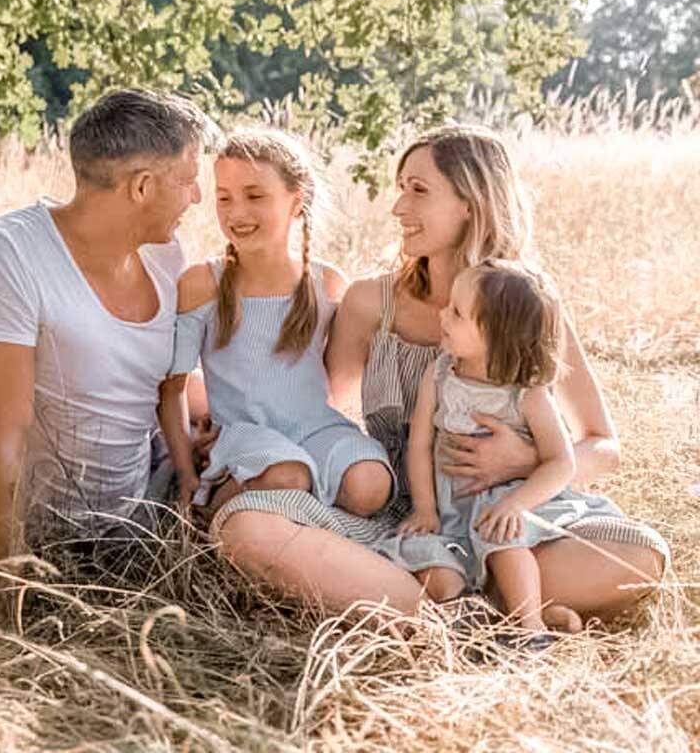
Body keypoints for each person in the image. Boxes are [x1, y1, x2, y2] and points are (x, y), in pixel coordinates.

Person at [209, 125, 670, 619]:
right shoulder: (370, 303)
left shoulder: (529, 305)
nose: (398, 208)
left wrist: (524, 464)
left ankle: (444, 602)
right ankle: (464, 611)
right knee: (245, 530)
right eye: (400, 188)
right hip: (400, 515)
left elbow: (603, 442)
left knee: (640, 558)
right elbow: (318, 406)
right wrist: (216, 417)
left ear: (470, 202)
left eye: (418, 190)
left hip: (506, 518)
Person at [0, 88, 216, 569]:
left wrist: (195, 444)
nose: (198, 198)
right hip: (59, 540)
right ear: (142, 187)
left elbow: (157, 384)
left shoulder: (166, 253)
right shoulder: (6, 254)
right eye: (188, 180)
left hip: (150, 498)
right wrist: (4, 593)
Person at [160, 130, 393, 517]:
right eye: (224, 198)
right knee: (289, 477)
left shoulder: (328, 283)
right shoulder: (203, 284)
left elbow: (340, 384)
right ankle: (212, 520)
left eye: (255, 196)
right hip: (243, 434)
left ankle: (311, 534)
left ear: (296, 201)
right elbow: (172, 390)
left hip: (316, 426)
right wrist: (186, 470)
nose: (236, 213)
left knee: (371, 485)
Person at [400, 259, 602, 643]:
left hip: (506, 503)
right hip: (452, 512)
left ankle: (531, 630)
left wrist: (517, 505)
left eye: (457, 312)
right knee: (432, 564)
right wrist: (424, 507)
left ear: (495, 334)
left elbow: (562, 462)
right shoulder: (441, 373)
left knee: (503, 542)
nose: (443, 313)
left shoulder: (526, 393)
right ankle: (515, 614)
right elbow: (420, 443)